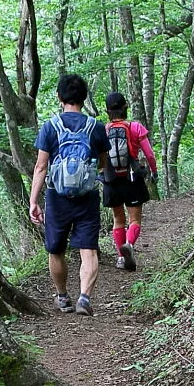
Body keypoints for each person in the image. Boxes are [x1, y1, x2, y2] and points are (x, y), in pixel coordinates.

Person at [29, 74, 110, 316]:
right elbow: (103, 164)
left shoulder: (50, 127)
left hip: (57, 197)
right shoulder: (95, 127)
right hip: (87, 196)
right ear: (84, 98)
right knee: (89, 249)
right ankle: (84, 297)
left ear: (59, 97)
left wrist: (34, 200)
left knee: (56, 250)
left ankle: (63, 296)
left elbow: (41, 167)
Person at [102, 92, 158, 271]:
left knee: (118, 220)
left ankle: (120, 257)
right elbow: (149, 153)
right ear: (125, 106)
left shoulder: (103, 130)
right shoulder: (135, 127)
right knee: (134, 220)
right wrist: (153, 172)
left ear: (107, 110)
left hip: (111, 179)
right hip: (132, 178)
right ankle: (130, 245)